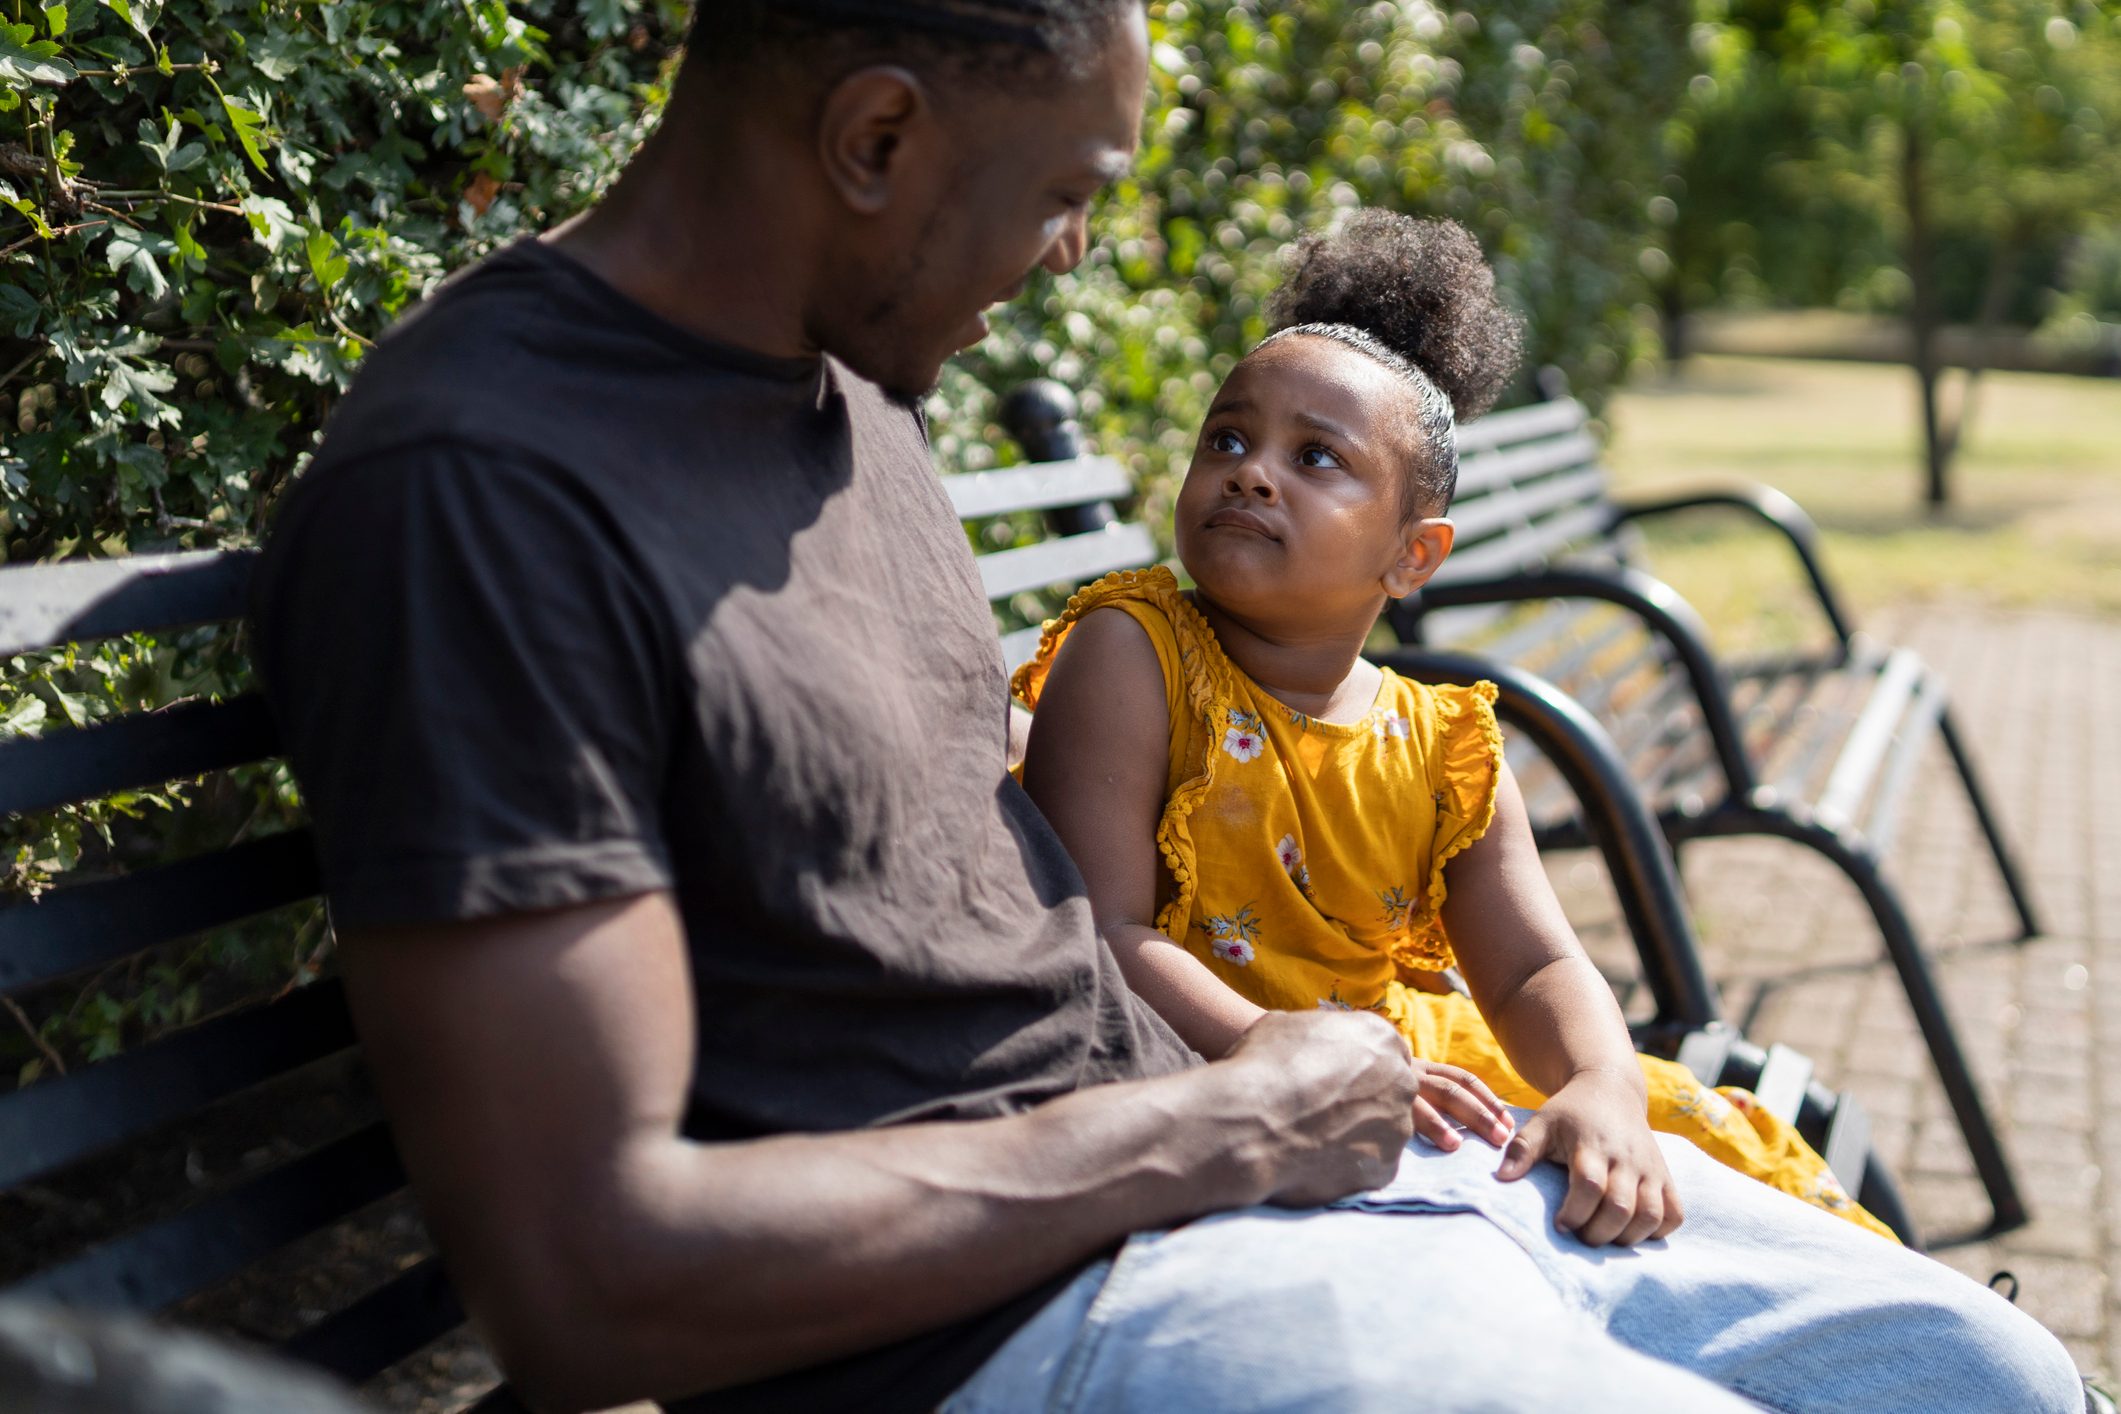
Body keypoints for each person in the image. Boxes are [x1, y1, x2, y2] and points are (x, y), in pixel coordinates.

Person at [247, 2, 2085, 1410]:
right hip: (1026, 1306)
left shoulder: (850, 400)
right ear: (876, 135)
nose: (1066, 259)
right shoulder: (484, 490)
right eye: (1061, 197)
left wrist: (1284, 1114)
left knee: (1976, 1372)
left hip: (1274, 1180)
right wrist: (1222, 1123)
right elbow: (591, 1279)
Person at [1013, 209, 1894, 1244]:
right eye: (1230, 439)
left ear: (1413, 556)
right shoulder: (1133, 651)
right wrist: (1273, 1043)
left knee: (1700, 1134)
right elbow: (1103, 932)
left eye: (1317, 458)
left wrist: (1601, 1080)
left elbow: (1533, 971)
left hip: (1399, 1056)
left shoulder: (1440, 746)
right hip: (1207, 1070)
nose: (1254, 470)